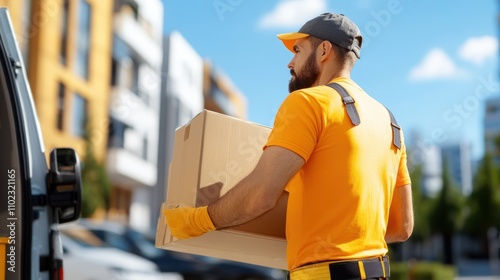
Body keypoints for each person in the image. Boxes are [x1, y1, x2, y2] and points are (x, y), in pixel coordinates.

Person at [164, 12, 413, 280]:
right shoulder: (390, 123)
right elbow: (402, 226)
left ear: (324, 51)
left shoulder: (309, 102)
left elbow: (261, 195)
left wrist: (196, 221)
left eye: (298, 50)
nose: (290, 62)